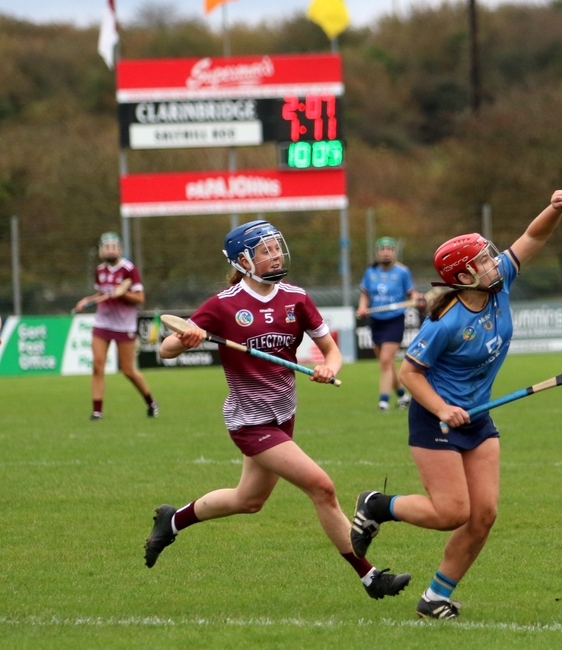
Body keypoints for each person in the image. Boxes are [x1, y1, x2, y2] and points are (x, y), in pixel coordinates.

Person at [144, 220, 411, 601]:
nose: (275, 255)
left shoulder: (296, 298)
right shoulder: (223, 305)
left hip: (284, 415)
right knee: (322, 487)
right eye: (265, 250)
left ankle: (172, 520)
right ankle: (370, 578)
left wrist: (328, 368)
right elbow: (165, 349)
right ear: (243, 260)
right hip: (249, 421)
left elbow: (331, 352)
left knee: (248, 500)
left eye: (276, 248)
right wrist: (188, 339)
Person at [349, 191, 562, 619]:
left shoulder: (500, 280)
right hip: (437, 419)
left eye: (491, 257)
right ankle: (377, 505)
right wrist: (443, 410)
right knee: (451, 512)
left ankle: (435, 597)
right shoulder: (445, 321)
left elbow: (532, 236)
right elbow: (409, 373)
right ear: (464, 275)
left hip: (478, 416)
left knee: (483, 514)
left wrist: (555, 209)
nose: (495, 262)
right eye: (484, 261)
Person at [73, 232, 158, 420]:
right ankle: (97, 411)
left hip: (124, 325)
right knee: (97, 365)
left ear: (120, 249)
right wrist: (87, 300)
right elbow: (101, 294)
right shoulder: (100, 270)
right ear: (101, 251)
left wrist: (122, 294)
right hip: (102, 323)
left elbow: (140, 298)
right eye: (106, 247)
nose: (110, 250)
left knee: (128, 370)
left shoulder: (129, 270)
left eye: (113, 247)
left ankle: (151, 401)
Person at [356, 237, 422, 411]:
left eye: (389, 249)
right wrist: (362, 307)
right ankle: (402, 396)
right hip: (376, 320)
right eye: (382, 249)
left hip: (395, 320)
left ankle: (383, 401)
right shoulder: (370, 271)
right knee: (387, 364)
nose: (386, 251)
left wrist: (417, 299)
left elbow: (412, 294)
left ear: (394, 252)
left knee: (386, 360)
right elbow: (365, 294)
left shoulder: (402, 272)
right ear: (377, 252)